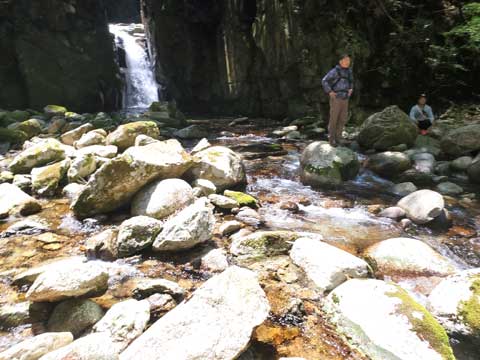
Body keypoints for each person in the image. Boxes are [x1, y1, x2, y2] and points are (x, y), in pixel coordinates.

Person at [322, 54, 354, 146]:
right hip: (336, 97)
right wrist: (330, 91)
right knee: (334, 119)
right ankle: (331, 140)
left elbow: (351, 81)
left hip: (345, 98)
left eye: (349, 60)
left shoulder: (349, 71)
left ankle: (338, 138)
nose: (348, 62)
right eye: (346, 60)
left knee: (343, 119)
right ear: (340, 61)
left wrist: (351, 89)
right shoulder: (335, 71)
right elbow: (324, 80)